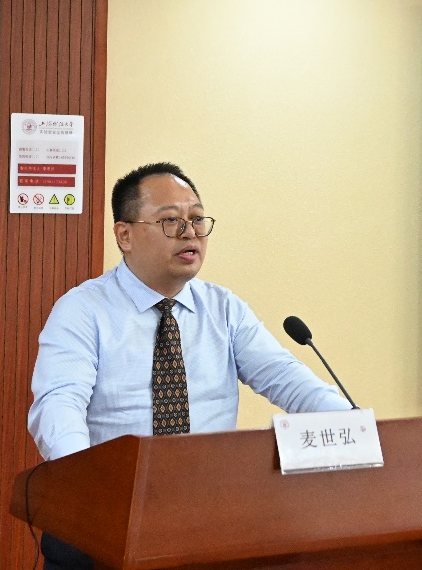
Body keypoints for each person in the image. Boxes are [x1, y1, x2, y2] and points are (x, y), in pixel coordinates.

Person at [28, 162, 350, 569]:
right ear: (124, 235)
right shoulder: (83, 310)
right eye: (170, 221)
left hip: (206, 517)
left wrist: (353, 428)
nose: (190, 232)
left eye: (197, 219)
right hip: (106, 517)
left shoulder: (224, 309)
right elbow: (59, 405)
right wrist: (83, 486)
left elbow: (286, 377)